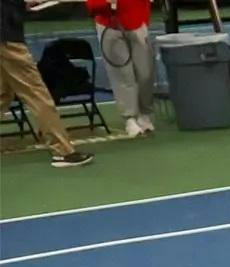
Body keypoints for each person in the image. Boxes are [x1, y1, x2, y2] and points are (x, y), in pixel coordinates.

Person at [0, 0, 93, 166]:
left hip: (6, 33)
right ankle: (63, 151)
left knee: (3, 93)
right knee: (36, 93)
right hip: (7, 38)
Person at [87, 0, 153, 137]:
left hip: (138, 22)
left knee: (145, 73)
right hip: (110, 26)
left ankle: (145, 113)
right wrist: (106, 3)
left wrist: (144, 22)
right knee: (122, 74)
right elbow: (92, 6)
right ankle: (130, 118)